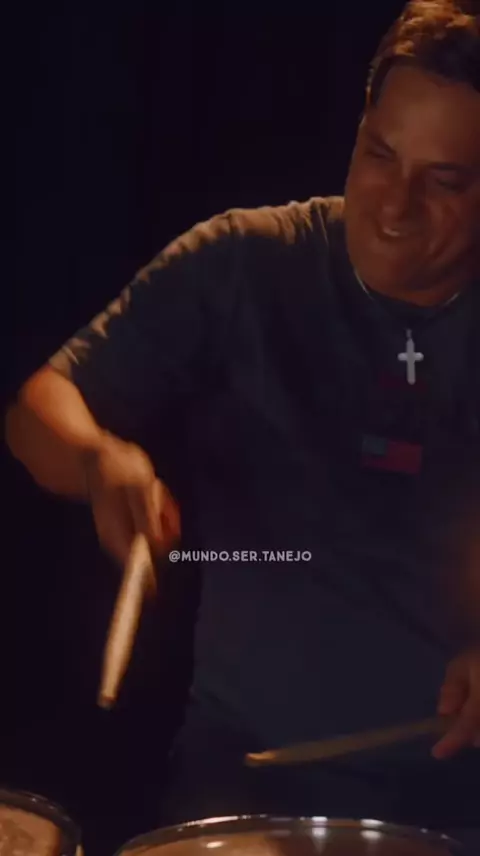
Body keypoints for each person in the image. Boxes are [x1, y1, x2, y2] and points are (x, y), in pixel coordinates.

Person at [6, 0, 480, 850]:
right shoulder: (245, 263)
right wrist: (98, 460)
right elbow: (39, 409)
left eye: (443, 182)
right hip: (241, 785)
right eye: (379, 154)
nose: (395, 205)